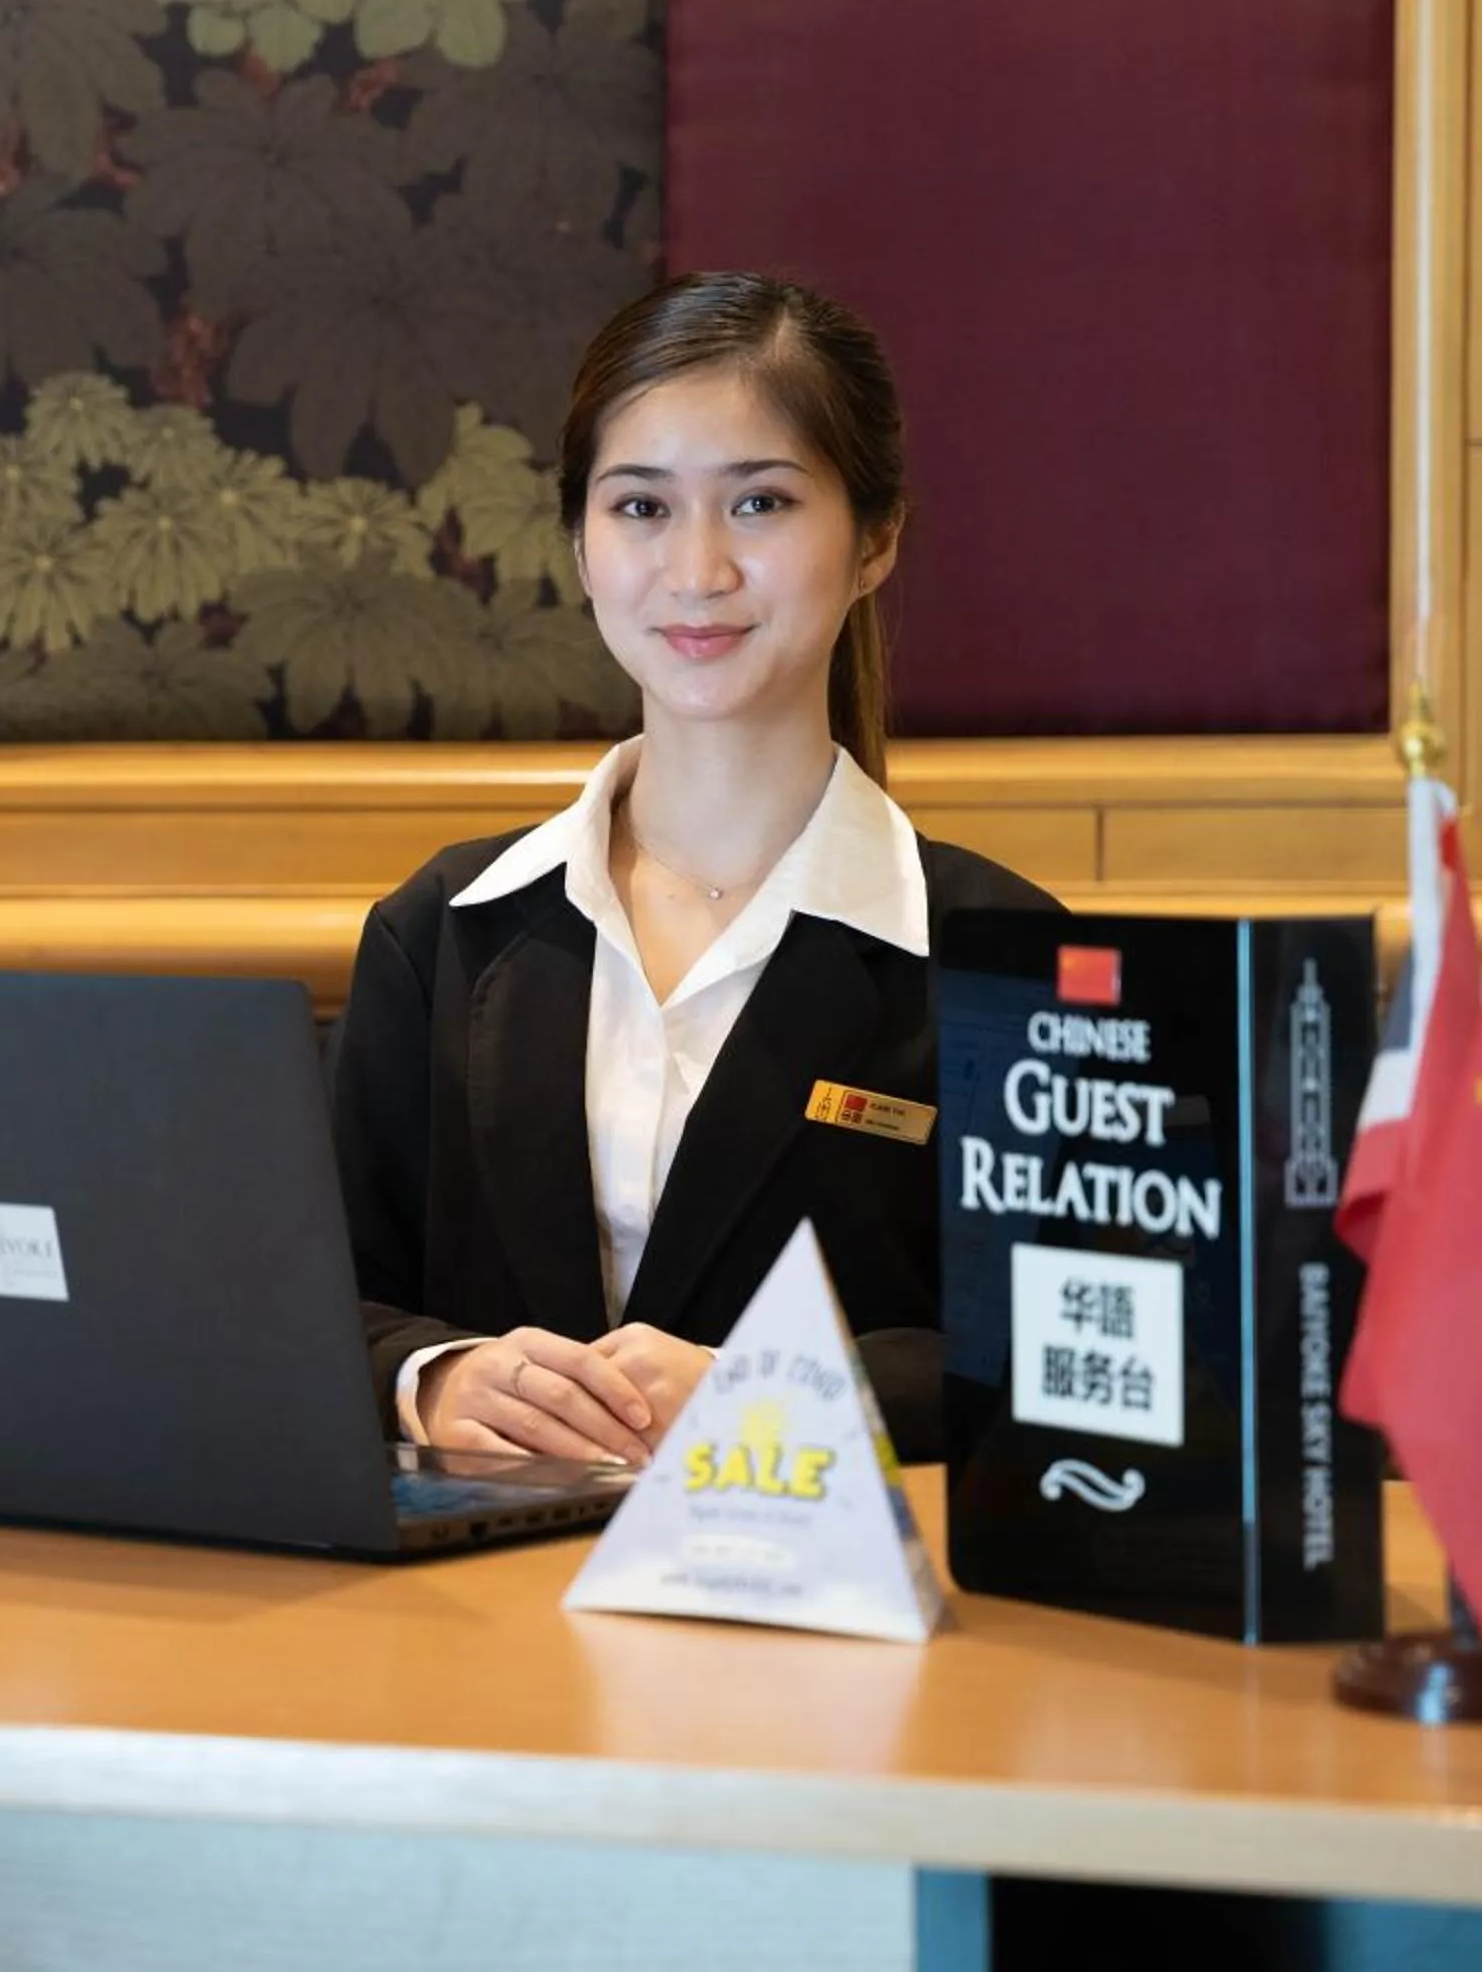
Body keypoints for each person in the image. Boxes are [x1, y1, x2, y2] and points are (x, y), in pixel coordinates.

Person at [331, 271, 1060, 1470]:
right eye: (641, 507)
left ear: (875, 539)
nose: (698, 568)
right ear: (581, 542)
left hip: (836, 1577)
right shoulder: (441, 931)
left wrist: (777, 1389)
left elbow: (1076, 1350)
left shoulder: (1010, 957)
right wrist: (433, 1376)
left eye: (760, 502)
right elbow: (316, 1297)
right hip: (483, 1579)